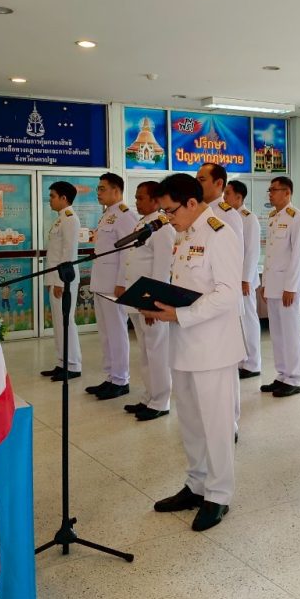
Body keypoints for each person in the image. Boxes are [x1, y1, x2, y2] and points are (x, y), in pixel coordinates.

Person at [143, 173, 244, 531]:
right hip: (184, 343)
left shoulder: (220, 233)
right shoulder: (185, 234)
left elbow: (227, 293)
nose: (168, 218)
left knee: (216, 425)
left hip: (213, 347)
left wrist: (180, 314)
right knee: (190, 421)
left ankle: (219, 494)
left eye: (171, 211)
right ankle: (197, 483)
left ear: (190, 202)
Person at [196, 162, 244, 433]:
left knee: (225, 367)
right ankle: (211, 421)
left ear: (218, 184)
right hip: (202, 302)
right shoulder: (196, 212)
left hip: (222, 300)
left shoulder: (227, 215)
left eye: (202, 179)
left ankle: (231, 423)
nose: (197, 183)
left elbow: (235, 259)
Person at [122, 180, 175, 421]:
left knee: (157, 352)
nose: (136, 201)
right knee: (145, 351)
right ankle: (149, 396)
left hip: (151, 301)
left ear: (155, 200)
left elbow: (162, 270)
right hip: (137, 298)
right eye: (136, 197)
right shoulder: (143, 223)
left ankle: (161, 401)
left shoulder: (162, 228)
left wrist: (154, 303)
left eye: (141, 197)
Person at [85, 173, 139, 401]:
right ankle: (110, 376)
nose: (98, 193)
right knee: (106, 333)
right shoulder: (107, 214)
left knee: (117, 332)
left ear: (116, 190)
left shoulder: (125, 215)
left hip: (114, 285)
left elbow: (128, 252)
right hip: (101, 282)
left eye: (102, 188)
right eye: (98, 188)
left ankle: (121, 379)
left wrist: (122, 282)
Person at [260, 176, 300, 397]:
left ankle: (294, 378)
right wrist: (265, 283)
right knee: (277, 334)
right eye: (270, 190)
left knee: (290, 333)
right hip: (273, 285)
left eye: (274, 190)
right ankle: (282, 375)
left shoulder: (296, 217)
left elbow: (297, 255)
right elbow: (270, 255)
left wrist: (291, 287)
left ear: (287, 192)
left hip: (288, 287)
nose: (270, 194)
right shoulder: (273, 217)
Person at [40, 181, 83, 381]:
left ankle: (73, 364)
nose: (50, 200)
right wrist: (50, 280)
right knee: (58, 323)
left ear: (63, 198)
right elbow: (54, 255)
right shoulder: (60, 219)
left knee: (66, 322)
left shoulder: (70, 219)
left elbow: (68, 253)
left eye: (52, 196)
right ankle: (62, 362)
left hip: (65, 280)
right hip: (56, 279)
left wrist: (60, 282)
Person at [224, 179, 263, 379]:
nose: (224, 197)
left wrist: (245, 278)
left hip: (244, 280)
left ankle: (253, 363)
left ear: (239, 197)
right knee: (237, 322)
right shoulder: (228, 216)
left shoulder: (249, 218)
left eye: (228, 194)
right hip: (232, 278)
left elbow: (252, 251)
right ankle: (241, 361)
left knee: (248, 320)